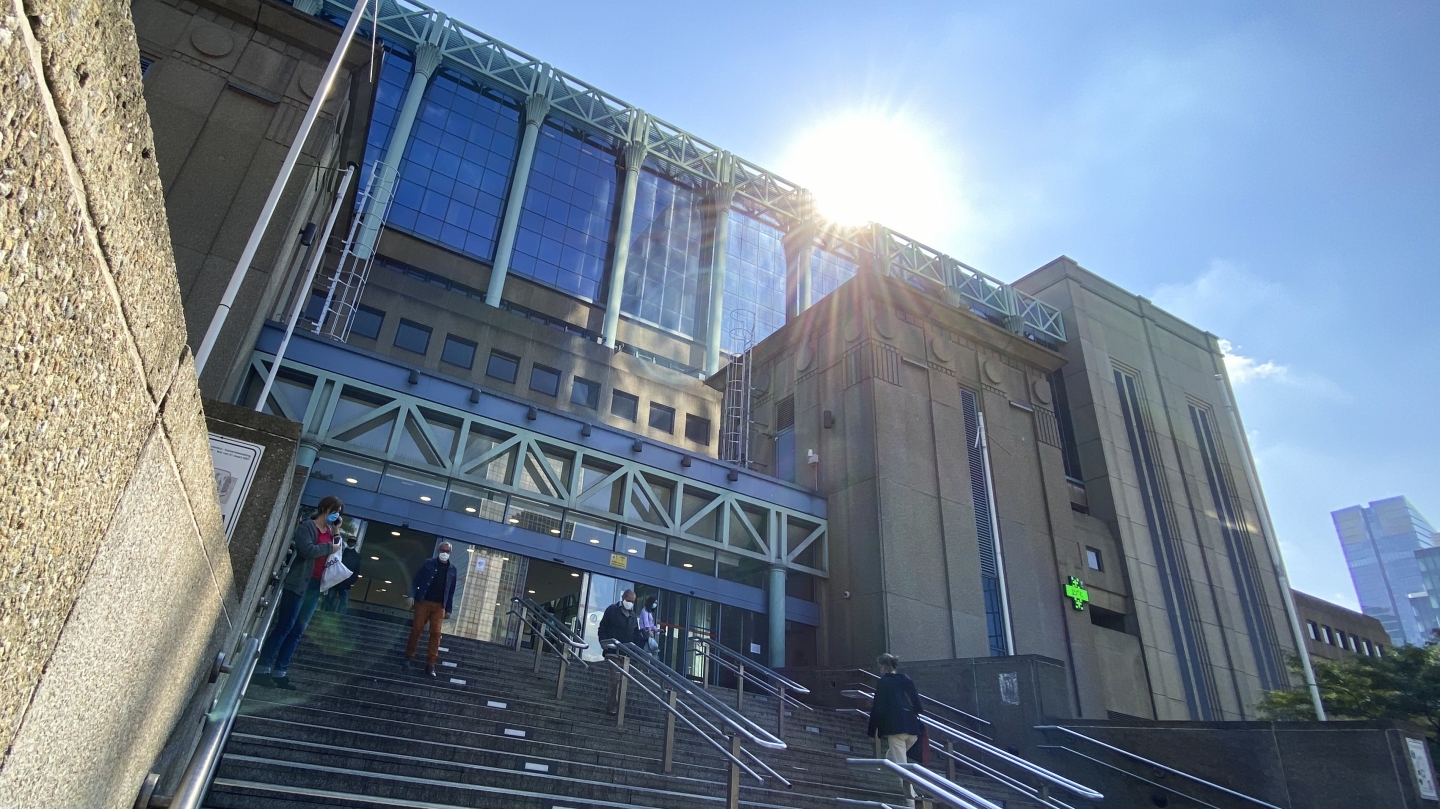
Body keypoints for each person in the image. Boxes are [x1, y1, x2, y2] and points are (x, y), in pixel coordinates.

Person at [254, 496, 345, 690]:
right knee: (285, 626)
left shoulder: (330, 531)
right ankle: (262, 668)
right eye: (335, 510)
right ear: (325, 508)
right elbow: (306, 550)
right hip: (299, 583)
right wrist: (330, 546)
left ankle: (280, 671)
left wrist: (336, 531)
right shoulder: (308, 527)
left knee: (297, 631)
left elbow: (338, 551)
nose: (336, 515)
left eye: (339, 512)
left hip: (315, 586)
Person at [867, 652, 924, 808]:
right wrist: (916, 712)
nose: (880, 670)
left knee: (901, 768)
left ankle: (912, 803)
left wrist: (872, 732)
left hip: (895, 729)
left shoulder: (884, 682)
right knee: (893, 757)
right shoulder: (905, 678)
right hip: (912, 728)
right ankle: (913, 796)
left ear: (885, 667)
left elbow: (877, 708)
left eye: (880, 667)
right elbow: (916, 701)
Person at [403, 541, 457, 676]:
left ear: (450, 553)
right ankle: (408, 657)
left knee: (436, 634)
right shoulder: (428, 563)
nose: (444, 553)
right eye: (442, 550)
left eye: (447, 551)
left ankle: (431, 664)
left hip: (440, 606)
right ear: (438, 551)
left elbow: (451, 591)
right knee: (417, 629)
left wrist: (448, 609)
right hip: (424, 601)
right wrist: (411, 595)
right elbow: (416, 580)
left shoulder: (452, 570)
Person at [597, 589, 641, 714]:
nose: (630, 603)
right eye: (628, 600)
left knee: (622, 680)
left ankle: (616, 706)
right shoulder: (612, 610)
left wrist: (635, 650)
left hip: (625, 652)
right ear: (623, 598)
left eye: (632, 601)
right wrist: (603, 642)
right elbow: (603, 626)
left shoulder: (633, 615)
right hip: (612, 649)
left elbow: (635, 633)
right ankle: (613, 706)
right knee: (615, 678)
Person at [322, 540, 362, 614]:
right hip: (335, 579)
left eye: (353, 542)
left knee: (343, 601)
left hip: (346, 581)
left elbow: (357, 570)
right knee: (330, 598)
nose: (351, 543)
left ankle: (340, 616)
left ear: (356, 543)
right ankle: (326, 613)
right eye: (350, 541)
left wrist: (351, 581)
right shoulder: (341, 552)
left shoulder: (357, 556)